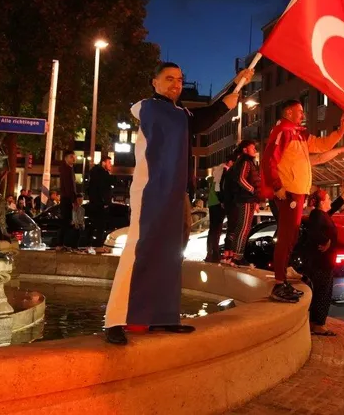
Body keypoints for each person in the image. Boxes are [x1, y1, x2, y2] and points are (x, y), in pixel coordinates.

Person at [104, 62, 253, 345]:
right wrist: (230, 96)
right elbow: (199, 120)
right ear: (155, 82)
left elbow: (201, 119)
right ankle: (116, 319)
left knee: (171, 254)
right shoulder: (151, 108)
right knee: (139, 250)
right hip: (151, 192)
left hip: (172, 191)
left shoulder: (178, 113)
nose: (176, 84)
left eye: (180, 79)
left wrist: (236, 87)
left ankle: (162, 316)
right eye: (169, 79)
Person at [261, 100, 344, 303]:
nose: (303, 114)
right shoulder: (284, 130)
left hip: (296, 192)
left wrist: (340, 132)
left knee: (291, 236)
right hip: (289, 192)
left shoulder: (298, 132)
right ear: (288, 112)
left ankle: (282, 280)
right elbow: (268, 159)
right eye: (300, 111)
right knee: (286, 237)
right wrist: (277, 186)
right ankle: (279, 283)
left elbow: (320, 144)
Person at [303, 186, 344, 336]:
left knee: (321, 292)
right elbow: (314, 232)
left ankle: (315, 323)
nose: (330, 201)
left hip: (324, 262)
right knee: (323, 293)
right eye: (328, 199)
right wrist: (327, 241)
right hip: (322, 263)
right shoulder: (317, 215)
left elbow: (336, 204)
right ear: (321, 202)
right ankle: (319, 324)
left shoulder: (322, 214)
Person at [221, 140, 260, 267]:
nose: (255, 149)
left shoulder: (243, 162)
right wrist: (252, 190)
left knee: (240, 228)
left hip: (244, 199)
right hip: (246, 199)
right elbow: (241, 179)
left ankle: (235, 255)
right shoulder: (246, 162)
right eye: (252, 147)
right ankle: (238, 257)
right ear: (245, 150)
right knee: (244, 228)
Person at [205, 158, 233, 263]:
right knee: (216, 229)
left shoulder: (217, 171)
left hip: (212, 202)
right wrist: (223, 200)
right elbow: (220, 188)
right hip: (217, 203)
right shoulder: (224, 171)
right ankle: (214, 254)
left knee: (213, 229)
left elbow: (212, 182)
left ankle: (210, 253)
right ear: (229, 162)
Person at [87, 156, 114, 230]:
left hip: (96, 204)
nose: (110, 164)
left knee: (96, 226)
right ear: (103, 163)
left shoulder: (96, 173)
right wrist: (105, 202)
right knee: (100, 227)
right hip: (100, 205)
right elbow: (102, 189)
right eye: (109, 162)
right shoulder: (102, 174)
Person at [58, 150, 78, 248]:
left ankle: (63, 243)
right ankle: (63, 243)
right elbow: (69, 186)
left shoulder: (69, 168)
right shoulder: (66, 169)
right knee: (66, 221)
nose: (74, 158)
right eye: (71, 156)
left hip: (67, 198)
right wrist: (73, 200)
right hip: (67, 199)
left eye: (74, 157)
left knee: (67, 221)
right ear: (66, 158)